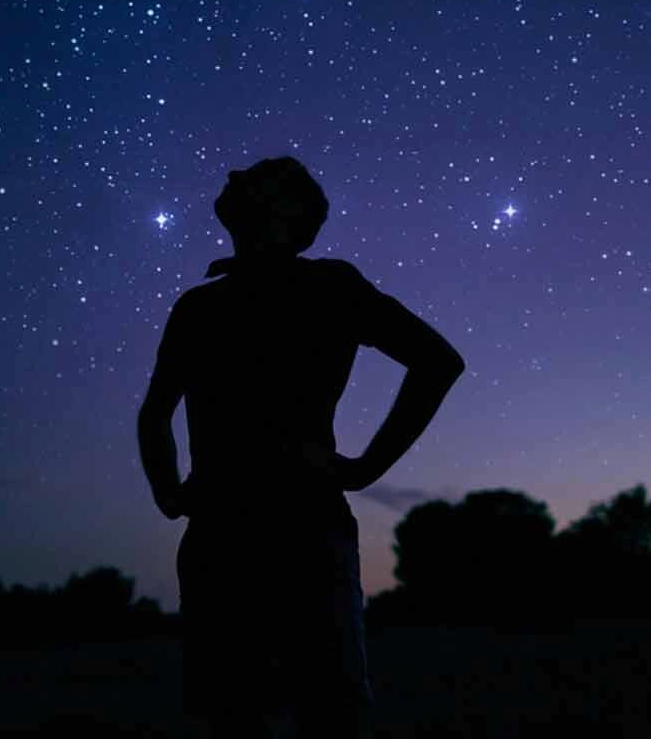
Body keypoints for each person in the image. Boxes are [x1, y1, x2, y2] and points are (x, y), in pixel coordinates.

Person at [138, 156, 466, 739]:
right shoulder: (199, 306)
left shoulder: (327, 286)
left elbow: (438, 362)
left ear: (291, 212)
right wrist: (168, 490)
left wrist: (368, 467)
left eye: (261, 175)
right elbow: (155, 413)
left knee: (320, 712)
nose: (237, 173)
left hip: (296, 530)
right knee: (245, 715)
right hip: (232, 534)